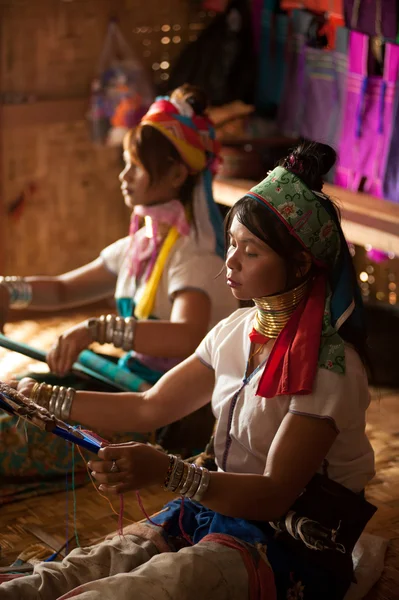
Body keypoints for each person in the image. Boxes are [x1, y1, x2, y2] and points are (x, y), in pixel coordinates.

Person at [2, 142, 375, 599]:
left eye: (251, 251)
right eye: (232, 244)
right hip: (212, 507)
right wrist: (39, 398)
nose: (231, 261)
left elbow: (276, 494)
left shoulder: (329, 369)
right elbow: (149, 406)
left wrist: (168, 471)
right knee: (69, 573)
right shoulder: (234, 331)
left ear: (300, 264)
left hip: (290, 541)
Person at [0, 85, 237, 499]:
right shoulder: (140, 246)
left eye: (134, 166)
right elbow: (60, 290)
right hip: (125, 384)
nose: (123, 175)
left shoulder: (195, 257)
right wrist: (8, 288)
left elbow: (187, 334)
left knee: (16, 433)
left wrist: (96, 329)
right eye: (125, 164)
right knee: (17, 395)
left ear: (177, 174)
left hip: (164, 413)